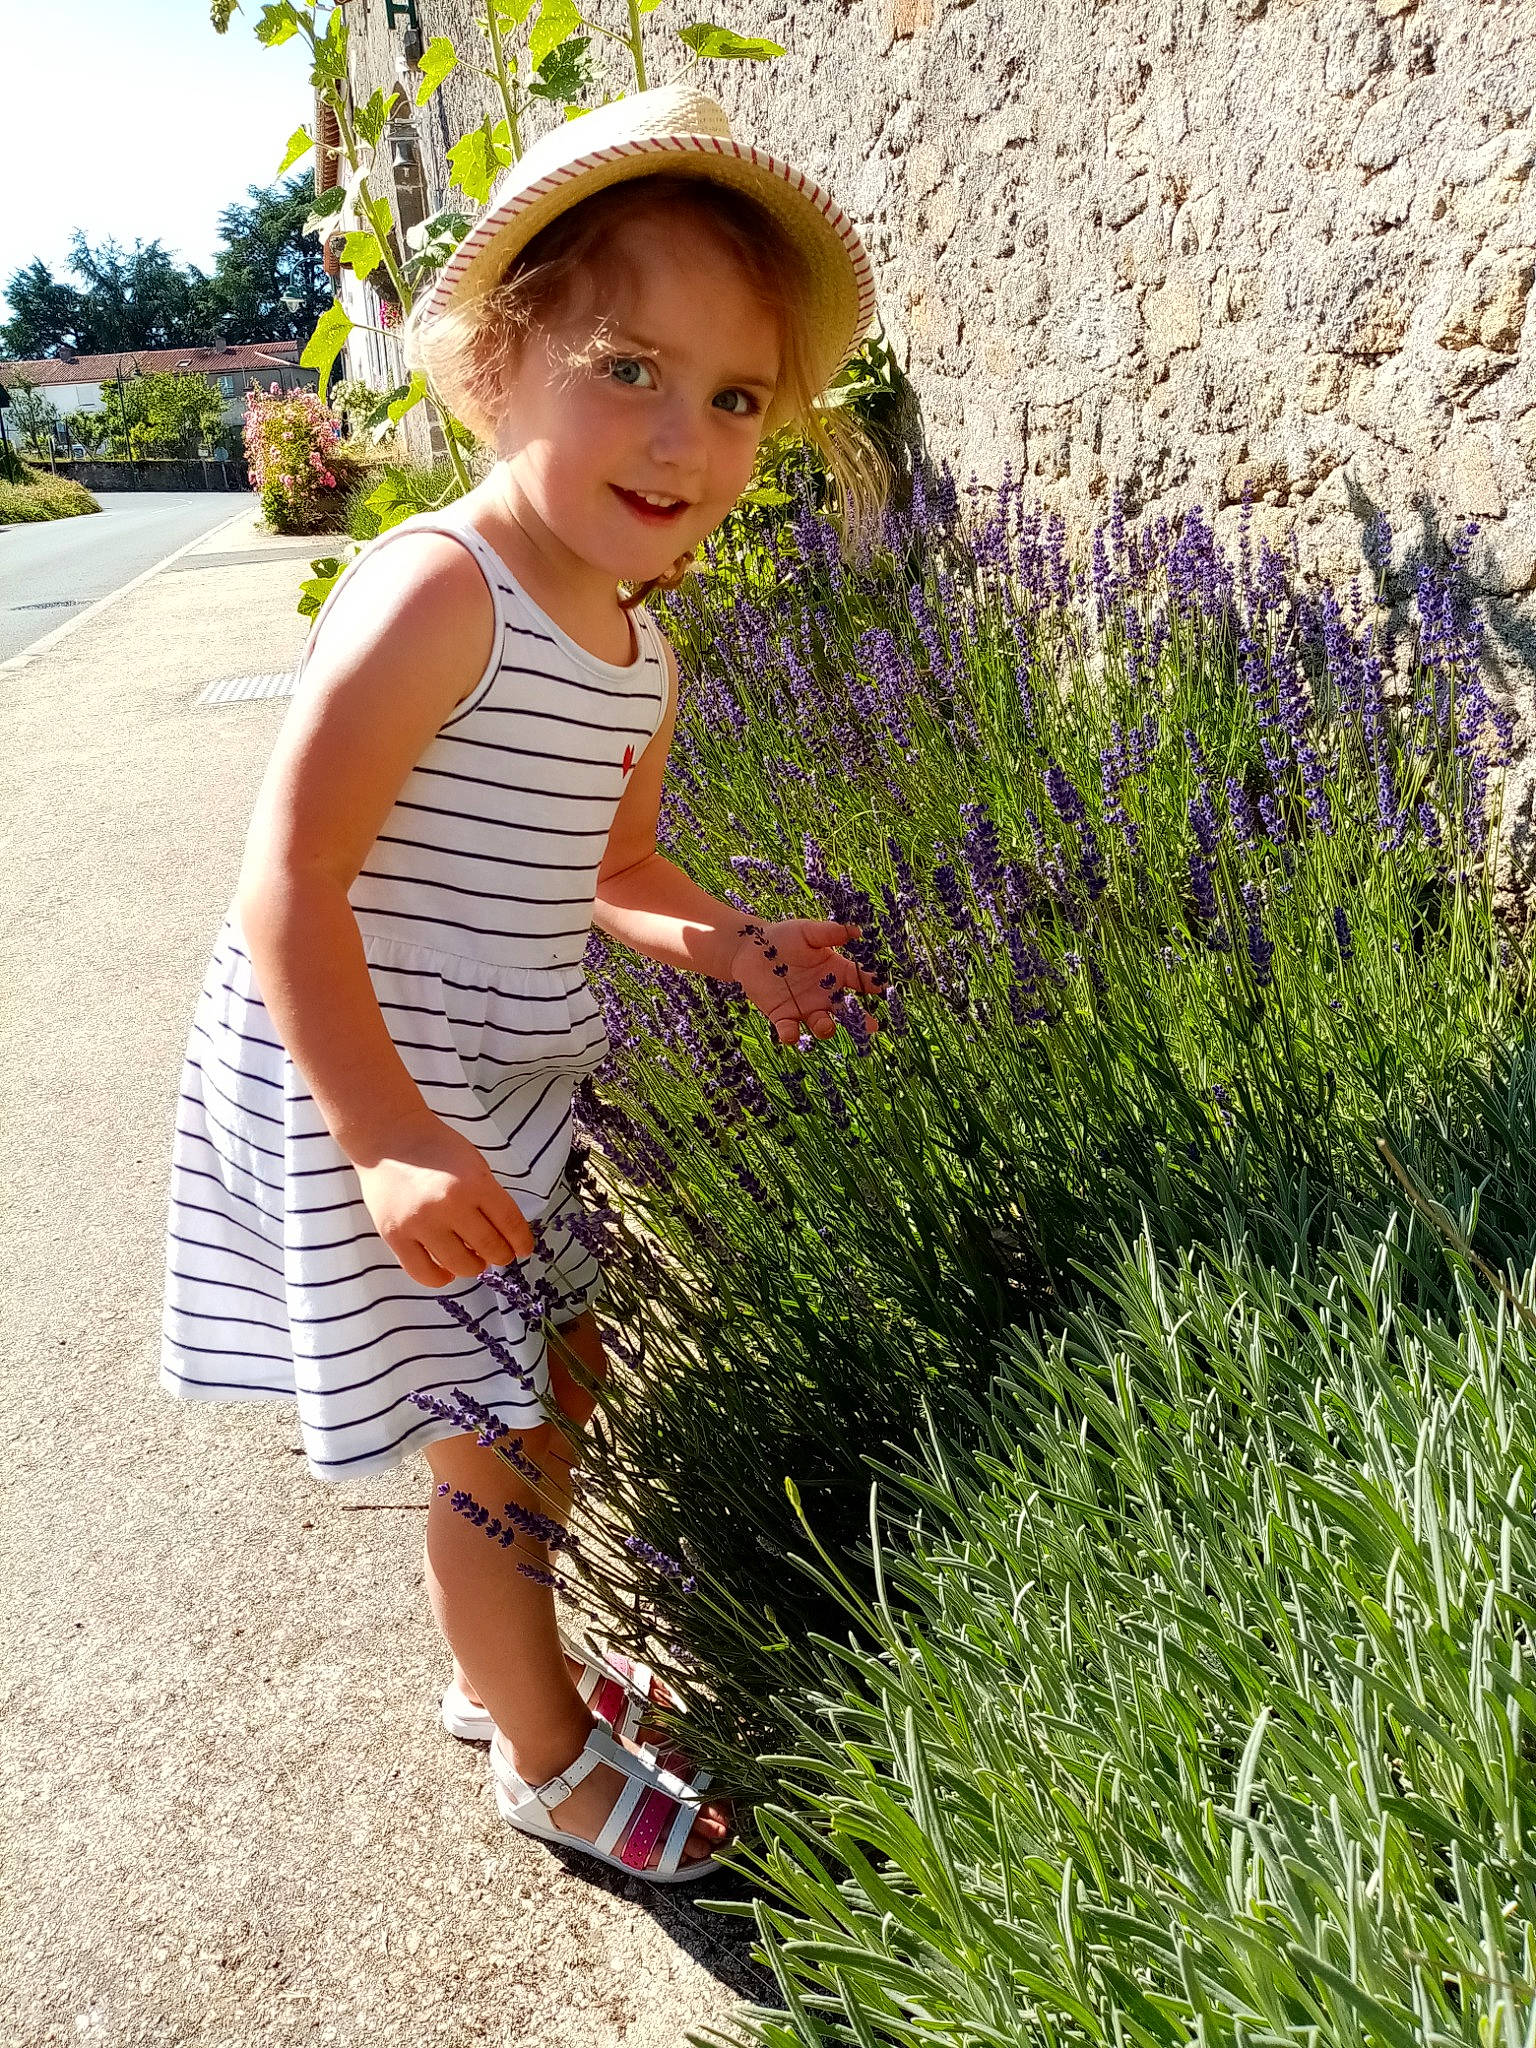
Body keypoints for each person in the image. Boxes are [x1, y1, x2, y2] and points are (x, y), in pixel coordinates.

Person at [159, 81, 889, 1883]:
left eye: (736, 400)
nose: (684, 437)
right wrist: (388, 1138)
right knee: (488, 1433)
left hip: (496, 1084)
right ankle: (545, 1759)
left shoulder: (636, 652)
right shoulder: (442, 592)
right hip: (367, 1080)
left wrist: (731, 945)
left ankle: (509, 1672)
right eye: (628, 369)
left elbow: (614, 871)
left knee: (562, 1369)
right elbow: (290, 882)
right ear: (495, 367)